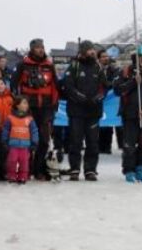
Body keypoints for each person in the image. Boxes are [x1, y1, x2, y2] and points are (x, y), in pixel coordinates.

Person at [13, 39, 58, 180]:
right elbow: (14, 85)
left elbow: (55, 87)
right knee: (27, 139)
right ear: (32, 49)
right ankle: (25, 170)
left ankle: (39, 169)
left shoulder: (49, 65)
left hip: (46, 108)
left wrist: (54, 104)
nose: (41, 50)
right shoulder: (22, 65)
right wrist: (18, 104)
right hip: (28, 108)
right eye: (38, 47)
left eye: (42, 47)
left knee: (44, 140)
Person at [61, 40, 105, 181]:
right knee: (75, 141)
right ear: (83, 51)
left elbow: (105, 86)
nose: (92, 52)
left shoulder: (98, 67)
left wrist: (97, 98)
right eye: (89, 49)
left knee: (92, 142)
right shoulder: (74, 66)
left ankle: (90, 170)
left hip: (94, 111)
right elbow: (68, 86)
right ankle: (74, 169)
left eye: (93, 49)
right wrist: (81, 97)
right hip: (76, 111)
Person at [116, 51, 142, 183]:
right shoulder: (125, 72)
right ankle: (129, 170)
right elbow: (118, 90)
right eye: (140, 57)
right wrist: (133, 82)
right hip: (129, 115)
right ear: (135, 59)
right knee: (129, 144)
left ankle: (140, 167)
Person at [3, 95, 38, 184]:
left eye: (27, 104)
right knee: (12, 161)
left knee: (24, 162)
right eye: (24, 103)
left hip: (25, 145)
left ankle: (23, 176)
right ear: (17, 105)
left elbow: (34, 131)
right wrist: (5, 141)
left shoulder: (30, 119)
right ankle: (12, 175)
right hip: (13, 145)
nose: (26, 105)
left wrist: (34, 142)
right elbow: (6, 130)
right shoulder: (10, 118)